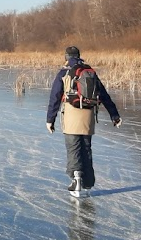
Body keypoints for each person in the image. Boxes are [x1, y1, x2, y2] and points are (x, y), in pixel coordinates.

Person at [45, 46, 121, 194]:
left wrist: (50, 120)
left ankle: (76, 180)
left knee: (73, 148)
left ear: (66, 57)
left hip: (71, 116)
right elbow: (104, 95)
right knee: (86, 148)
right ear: (79, 56)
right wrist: (114, 115)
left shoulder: (64, 72)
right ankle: (87, 182)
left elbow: (55, 97)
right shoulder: (89, 71)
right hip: (88, 117)